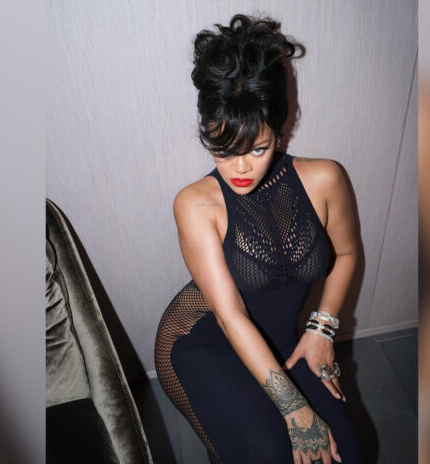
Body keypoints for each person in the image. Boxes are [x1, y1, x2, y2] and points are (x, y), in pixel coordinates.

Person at [154, 14, 361, 464]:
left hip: (282, 338)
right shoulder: (195, 204)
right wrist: (294, 409)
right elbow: (230, 316)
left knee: (350, 450)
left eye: (258, 148)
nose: (241, 168)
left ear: (279, 130)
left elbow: (346, 253)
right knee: (270, 452)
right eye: (224, 149)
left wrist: (322, 328)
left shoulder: (325, 179)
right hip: (207, 336)